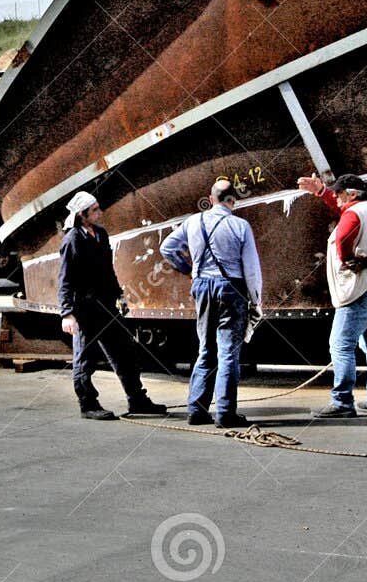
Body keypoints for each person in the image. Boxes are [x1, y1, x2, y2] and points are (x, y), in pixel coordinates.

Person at [160, 178, 263, 429]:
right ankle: (226, 413)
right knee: (228, 352)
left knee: (206, 349)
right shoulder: (240, 226)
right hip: (232, 288)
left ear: (211, 197)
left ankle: (197, 409)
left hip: (202, 286)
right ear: (232, 202)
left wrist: (189, 269)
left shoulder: (193, 221)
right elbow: (251, 269)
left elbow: (167, 248)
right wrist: (256, 301)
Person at [57, 191, 166, 421]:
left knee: (124, 353)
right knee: (84, 359)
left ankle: (137, 399)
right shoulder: (73, 239)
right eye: (95, 209)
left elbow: (108, 270)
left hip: (106, 306)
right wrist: (67, 313)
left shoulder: (101, 234)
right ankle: (87, 404)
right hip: (85, 309)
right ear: (82, 214)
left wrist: (120, 295)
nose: (100, 212)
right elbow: (65, 278)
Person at [297, 172, 367, 418]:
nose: (337, 197)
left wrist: (348, 259)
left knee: (340, 344)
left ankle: (342, 402)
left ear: (351, 194)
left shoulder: (353, 213)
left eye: (340, 193)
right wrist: (322, 192)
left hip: (360, 289)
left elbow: (342, 237)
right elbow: (344, 211)